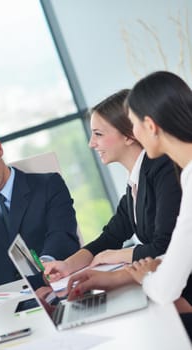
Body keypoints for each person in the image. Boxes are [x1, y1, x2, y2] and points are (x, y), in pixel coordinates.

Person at [65, 71, 192, 338]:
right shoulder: (178, 173)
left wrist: (136, 272)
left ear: (149, 126)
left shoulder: (174, 174)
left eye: (133, 125)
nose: (134, 133)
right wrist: (121, 274)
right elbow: (170, 253)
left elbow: (164, 278)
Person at [44, 89, 182, 281]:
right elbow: (109, 238)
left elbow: (165, 246)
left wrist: (114, 256)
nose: (92, 143)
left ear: (129, 135)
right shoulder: (135, 183)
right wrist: (66, 266)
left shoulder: (163, 169)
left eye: (98, 134)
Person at [0, 122, 80, 288]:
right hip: (6, 304)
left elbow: (62, 235)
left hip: (53, 285)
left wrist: (44, 271)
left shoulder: (48, 185)